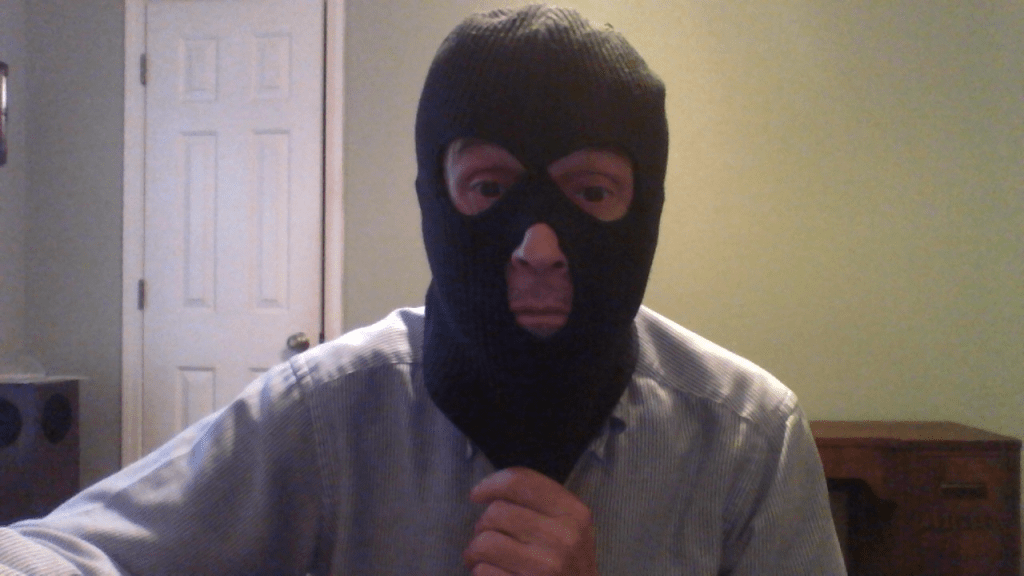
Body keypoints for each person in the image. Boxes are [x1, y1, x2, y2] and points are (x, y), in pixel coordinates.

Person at [0, 5, 845, 575]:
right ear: (434, 200)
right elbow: (70, 554)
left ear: (645, 207)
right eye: (490, 189)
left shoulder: (747, 442)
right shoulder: (326, 415)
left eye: (590, 193)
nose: (539, 248)